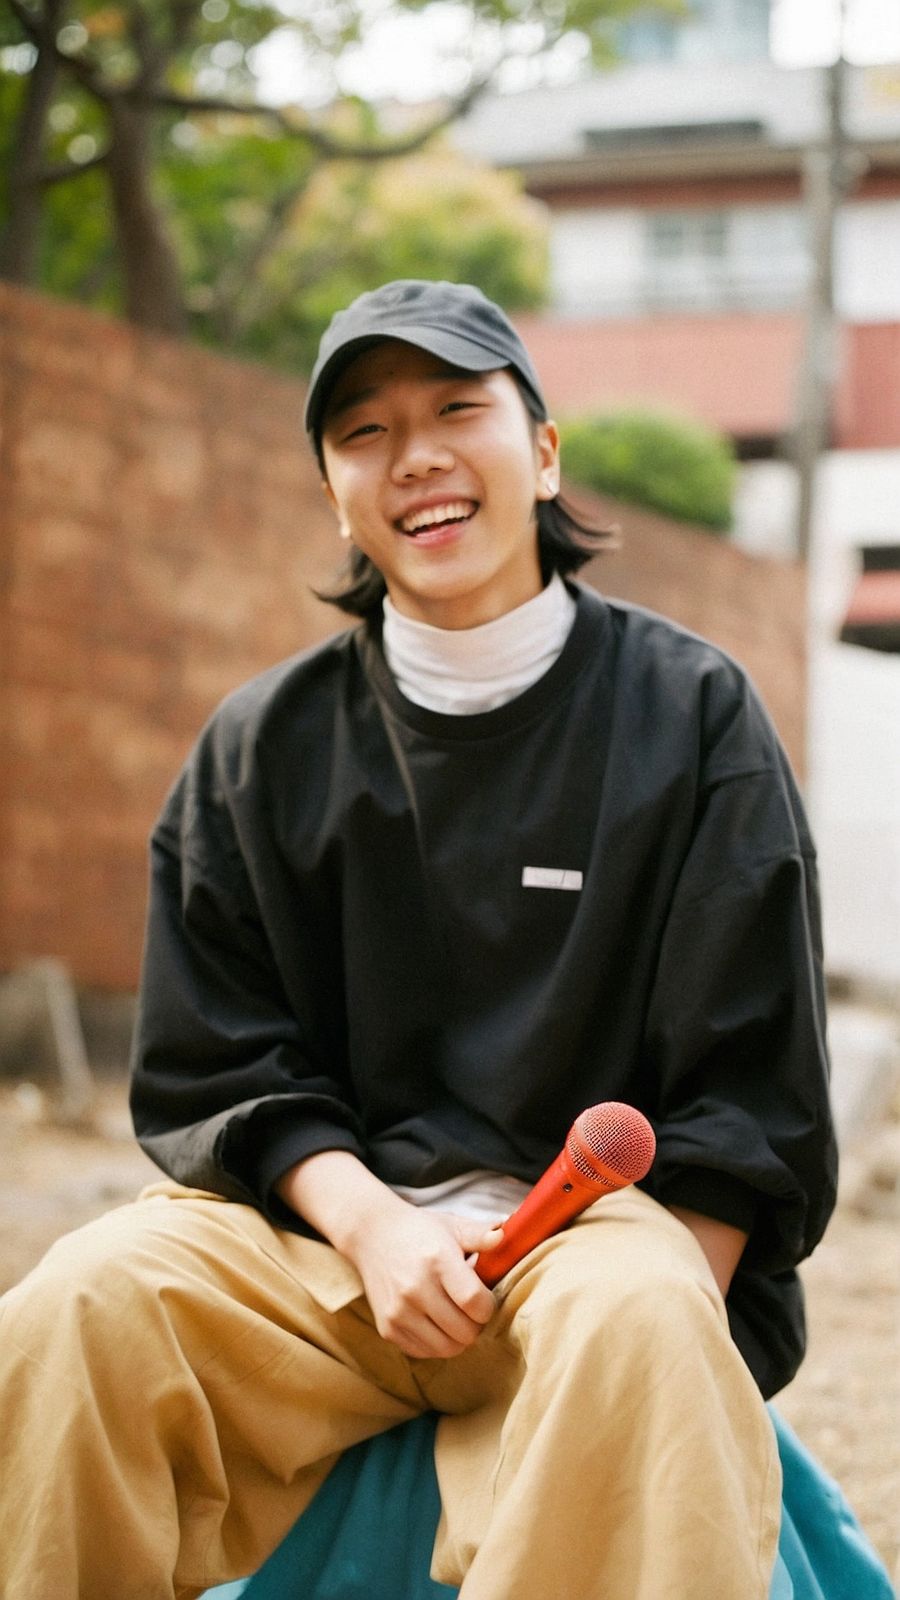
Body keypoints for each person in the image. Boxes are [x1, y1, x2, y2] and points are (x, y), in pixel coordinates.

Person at [0, 279, 837, 1600]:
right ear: (334, 490)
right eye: (366, 433)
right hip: (328, 1255)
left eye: (458, 408)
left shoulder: (691, 715)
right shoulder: (261, 747)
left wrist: (664, 1317)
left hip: (596, 1246)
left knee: (640, 1320)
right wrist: (379, 1232)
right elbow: (223, 1069)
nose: (419, 457)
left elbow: (750, 1099)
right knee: (77, 1307)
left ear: (544, 451)